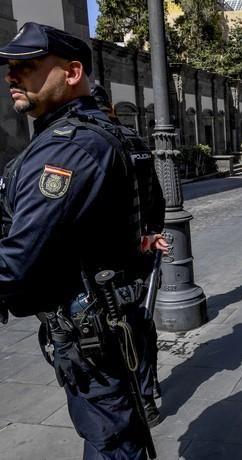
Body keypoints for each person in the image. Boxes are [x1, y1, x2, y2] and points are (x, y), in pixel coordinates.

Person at [0, 22, 156, 458]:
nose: (13, 76)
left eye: (26, 66)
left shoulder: (70, 150)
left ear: (71, 73)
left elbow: (16, 261)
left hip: (92, 331)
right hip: (90, 324)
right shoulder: (59, 139)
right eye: (10, 68)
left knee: (110, 442)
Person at [90, 83, 168, 426]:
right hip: (135, 258)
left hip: (102, 266)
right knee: (138, 330)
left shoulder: (78, 144)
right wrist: (150, 238)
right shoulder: (134, 142)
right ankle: (146, 395)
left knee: (120, 334)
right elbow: (158, 202)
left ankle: (138, 397)